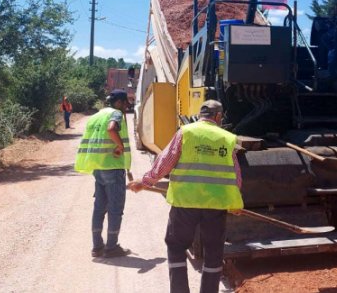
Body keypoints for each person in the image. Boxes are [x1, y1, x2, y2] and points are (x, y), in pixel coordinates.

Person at [129, 100, 243, 293]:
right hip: (215, 206)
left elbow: (165, 162)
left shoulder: (185, 132)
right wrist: (235, 203)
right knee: (214, 252)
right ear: (218, 116)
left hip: (185, 203)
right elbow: (235, 175)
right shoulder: (228, 138)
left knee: (176, 246)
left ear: (201, 115)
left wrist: (145, 182)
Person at [74, 89, 132, 258]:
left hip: (98, 168)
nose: (126, 107)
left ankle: (97, 246)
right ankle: (111, 247)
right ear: (119, 102)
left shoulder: (96, 116)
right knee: (115, 209)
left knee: (99, 208)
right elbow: (112, 129)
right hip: (112, 167)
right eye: (125, 103)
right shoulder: (116, 114)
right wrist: (120, 146)